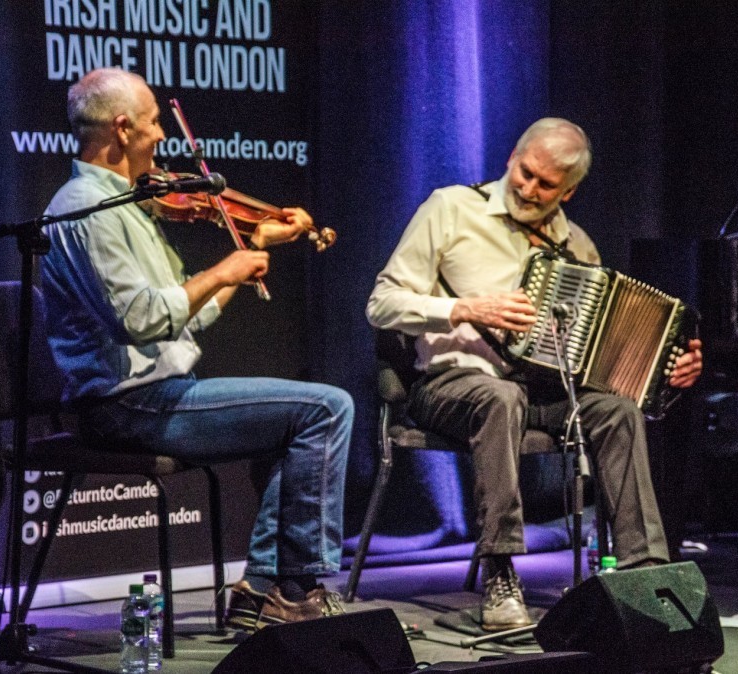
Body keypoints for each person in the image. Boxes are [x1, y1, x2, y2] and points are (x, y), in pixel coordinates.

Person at [40, 68, 352, 632]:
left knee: (309, 418)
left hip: (154, 391)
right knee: (326, 409)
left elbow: (188, 316)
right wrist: (224, 268)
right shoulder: (85, 208)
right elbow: (141, 320)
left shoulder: (129, 203)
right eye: (155, 121)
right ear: (123, 128)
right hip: (126, 403)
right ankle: (290, 589)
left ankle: (266, 589)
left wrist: (251, 248)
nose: (163, 134)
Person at [366, 118, 704, 630]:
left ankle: (645, 574)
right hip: (450, 384)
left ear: (568, 190)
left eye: (545, 185)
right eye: (524, 173)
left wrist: (667, 370)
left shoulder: (578, 248)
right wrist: (464, 309)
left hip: (544, 391)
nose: (528, 189)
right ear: (511, 158)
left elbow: (604, 359)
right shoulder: (451, 208)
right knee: (500, 397)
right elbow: (382, 304)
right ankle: (500, 570)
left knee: (617, 410)